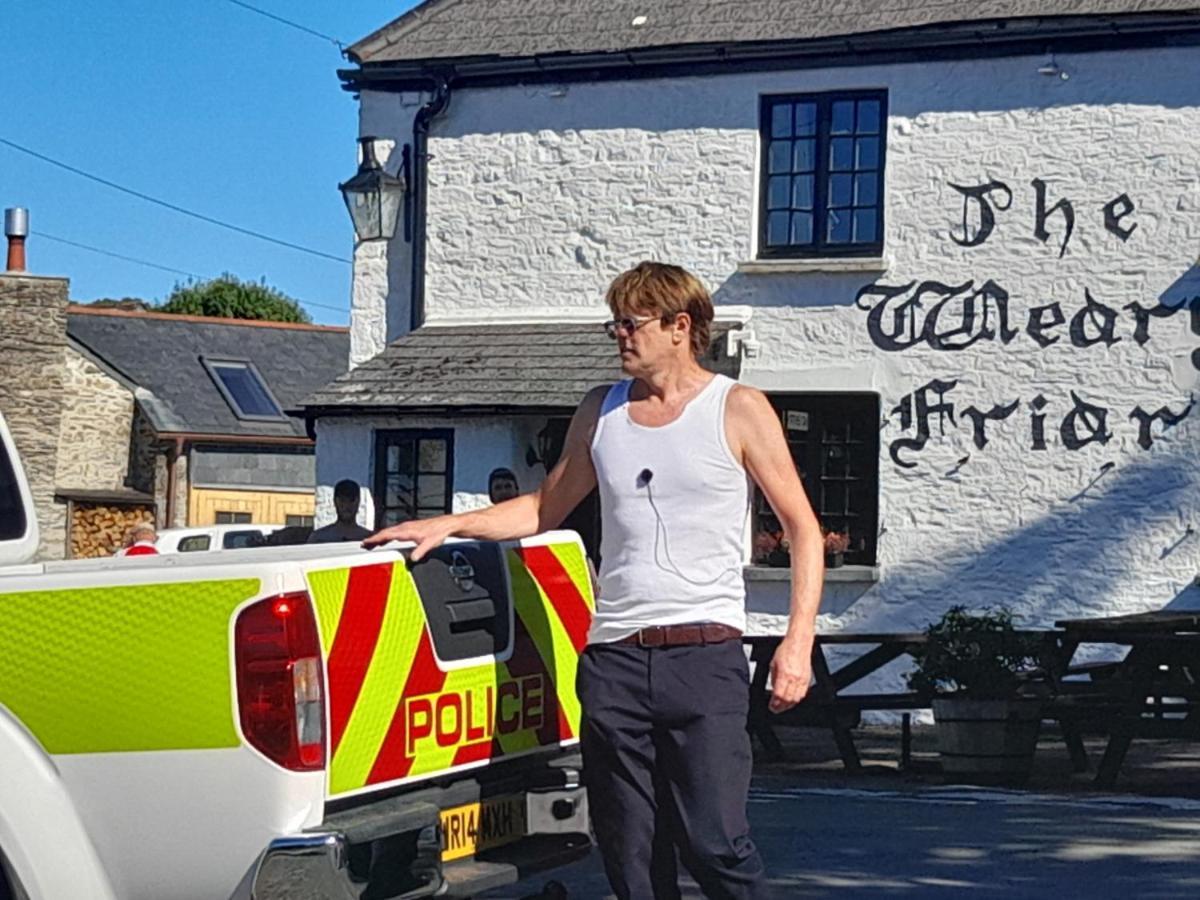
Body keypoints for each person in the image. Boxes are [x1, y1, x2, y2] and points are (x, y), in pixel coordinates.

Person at [365, 261, 823, 899]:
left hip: (704, 654)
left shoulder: (737, 408)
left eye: (631, 324)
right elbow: (544, 508)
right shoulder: (600, 411)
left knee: (715, 840)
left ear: (679, 327)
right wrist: (447, 523)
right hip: (613, 661)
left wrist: (796, 643)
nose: (620, 336)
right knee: (631, 853)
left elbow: (803, 529)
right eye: (615, 324)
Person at [308, 479, 373, 544]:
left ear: (358, 501)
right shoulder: (319, 538)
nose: (346, 505)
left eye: (351, 500)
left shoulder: (369, 539)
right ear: (335, 501)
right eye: (342, 500)